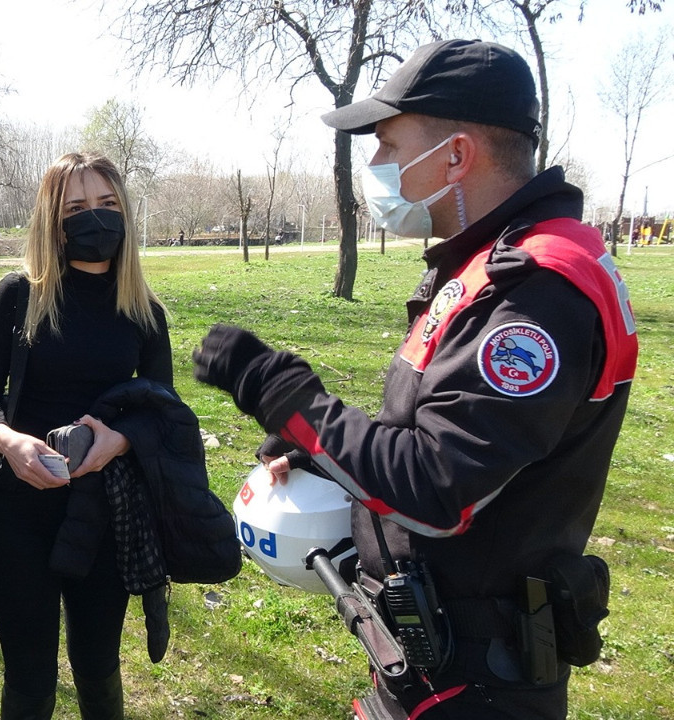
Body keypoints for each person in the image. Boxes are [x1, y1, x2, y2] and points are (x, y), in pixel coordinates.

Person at [193, 40, 638, 719]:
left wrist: (277, 388)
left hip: (479, 683)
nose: (377, 166)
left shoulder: (533, 295)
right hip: (431, 661)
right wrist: (320, 449)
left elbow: (435, 485)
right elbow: (434, 435)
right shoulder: (488, 267)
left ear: (456, 156)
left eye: (390, 146)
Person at [0, 152, 172, 720]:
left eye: (108, 205)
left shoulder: (144, 311)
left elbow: (162, 412)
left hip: (105, 514)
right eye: (76, 207)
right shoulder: (19, 295)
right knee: (30, 678)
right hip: (19, 511)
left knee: (97, 666)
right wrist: (7, 438)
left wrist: (121, 442)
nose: (96, 219)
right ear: (52, 219)